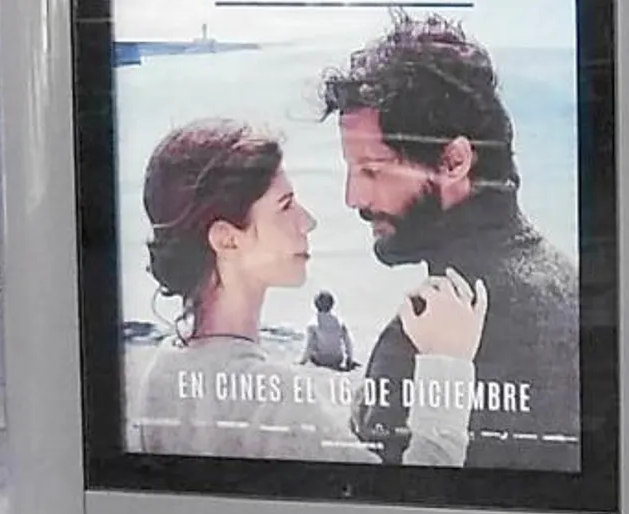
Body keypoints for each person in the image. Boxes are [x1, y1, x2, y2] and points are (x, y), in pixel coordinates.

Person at [132, 119, 487, 464]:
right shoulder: (273, 400)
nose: (308, 221)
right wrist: (447, 364)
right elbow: (412, 510)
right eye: (286, 206)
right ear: (226, 239)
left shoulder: (162, 373)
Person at [320, 10, 581, 470]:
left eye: (373, 170)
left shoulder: (426, 337)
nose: (352, 197)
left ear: (454, 161)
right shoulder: (571, 287)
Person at [301, 291, 357, 372]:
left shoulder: (312, 324)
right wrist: (350, 359)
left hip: (321, 359)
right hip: (337, 359)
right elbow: (348, 342)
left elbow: (310, 345)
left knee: (312, 351)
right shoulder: (339, 322)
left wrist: (303, 361)